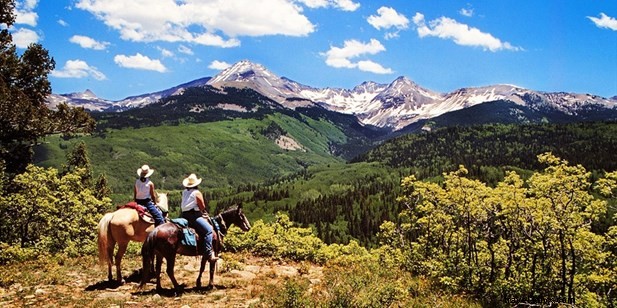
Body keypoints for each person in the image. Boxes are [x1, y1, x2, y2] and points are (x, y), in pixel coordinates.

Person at [180, 173, 217, 262]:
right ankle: (208, 252)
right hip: (194, 216)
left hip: (184, 215)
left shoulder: (185, 192)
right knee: (209, 230)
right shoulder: (197, 193)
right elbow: (202, 206)